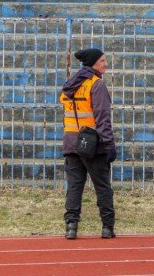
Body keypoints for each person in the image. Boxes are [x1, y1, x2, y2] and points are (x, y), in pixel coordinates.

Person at [60, 47, 116, 240]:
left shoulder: (70, 84)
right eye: (102, 61)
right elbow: (103, 119)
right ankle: (107, 227)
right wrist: (109, 145)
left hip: (71, 142)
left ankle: (71, 226)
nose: (106, 64)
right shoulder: (96, 84)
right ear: (93, 63)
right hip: (92, 144)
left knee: (74, 187)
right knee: (102, 186)